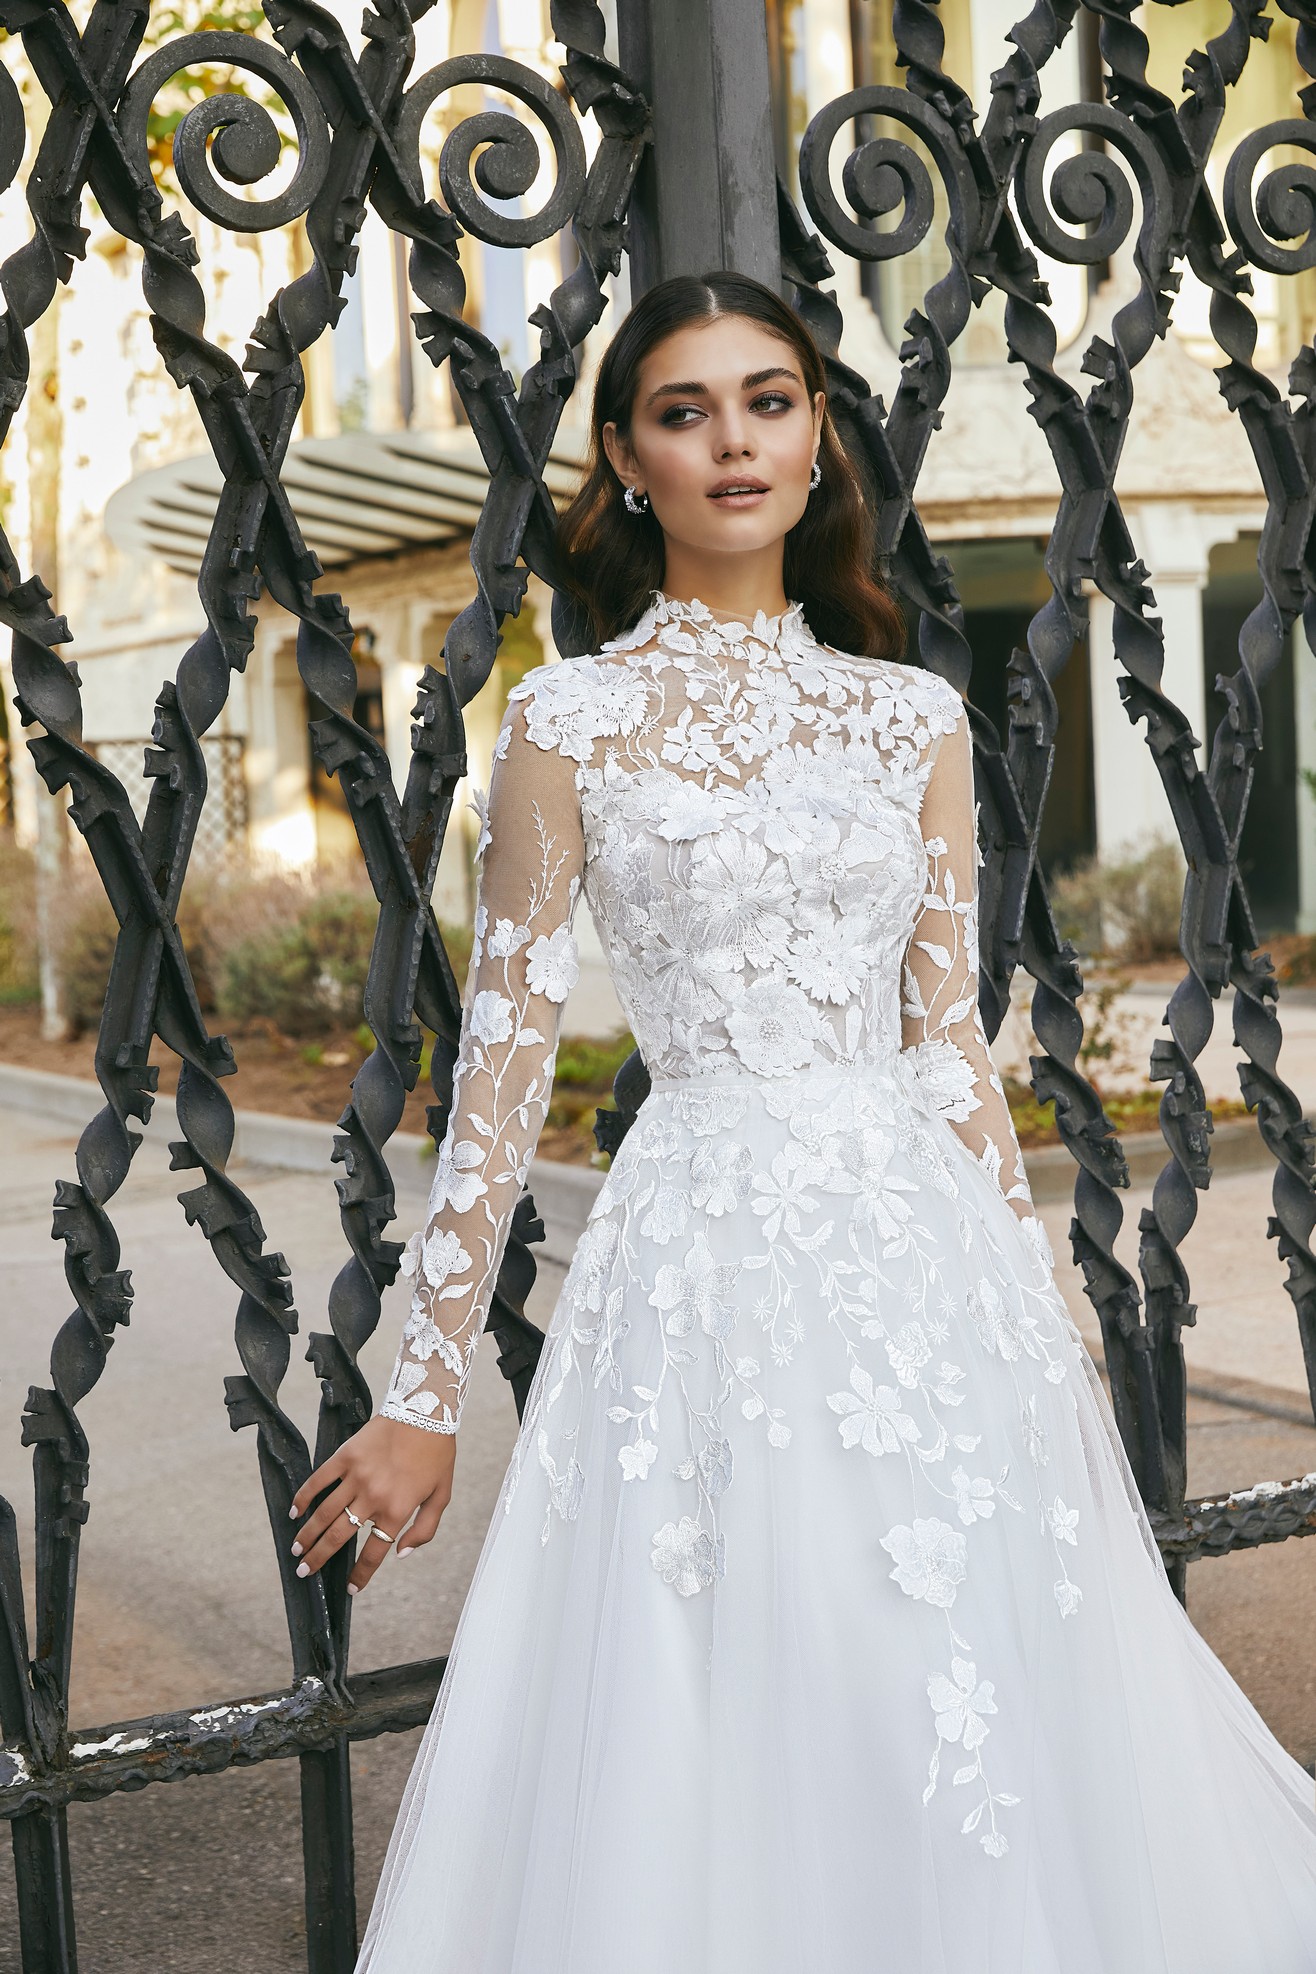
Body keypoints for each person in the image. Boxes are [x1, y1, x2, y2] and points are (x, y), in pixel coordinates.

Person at [291, 271, 1316, 1972]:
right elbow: (503, 1072)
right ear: (628, 459)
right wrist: (422, 1394)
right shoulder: (564, 721)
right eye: (684, 412)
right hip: (697, 1259)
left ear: (817, 431)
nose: (734, 441)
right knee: (744, 1686)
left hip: (920, 1267)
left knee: (958, 1680)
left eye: (768, 400)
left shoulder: (907, 710)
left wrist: (1042, 1309)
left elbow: (949, 1047)